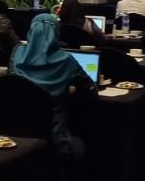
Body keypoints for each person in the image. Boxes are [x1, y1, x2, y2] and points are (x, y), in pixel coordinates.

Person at [10, 13, 92, 159]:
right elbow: (90, 89)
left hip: (16, 139)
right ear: (56, 33)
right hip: (57, 141)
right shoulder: (67, 60)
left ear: (31, 31)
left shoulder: (17, 53)